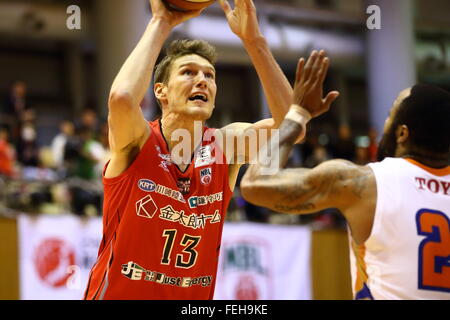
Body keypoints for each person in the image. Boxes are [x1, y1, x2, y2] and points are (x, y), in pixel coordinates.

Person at [84, 0, 334, 300]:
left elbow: (291, 130)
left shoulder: (223, 146)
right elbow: (123, 98)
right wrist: (161, 22)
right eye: (188, 72)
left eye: (210, 76)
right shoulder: (138, 141)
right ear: (161, 91)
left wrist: (254, 43)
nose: (202, 79)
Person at [240, 58, 450, 300]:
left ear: (402, 133)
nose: (384, 123)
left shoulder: (365, 183)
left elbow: (255, 185)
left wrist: (297, 114)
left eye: (390, 115)